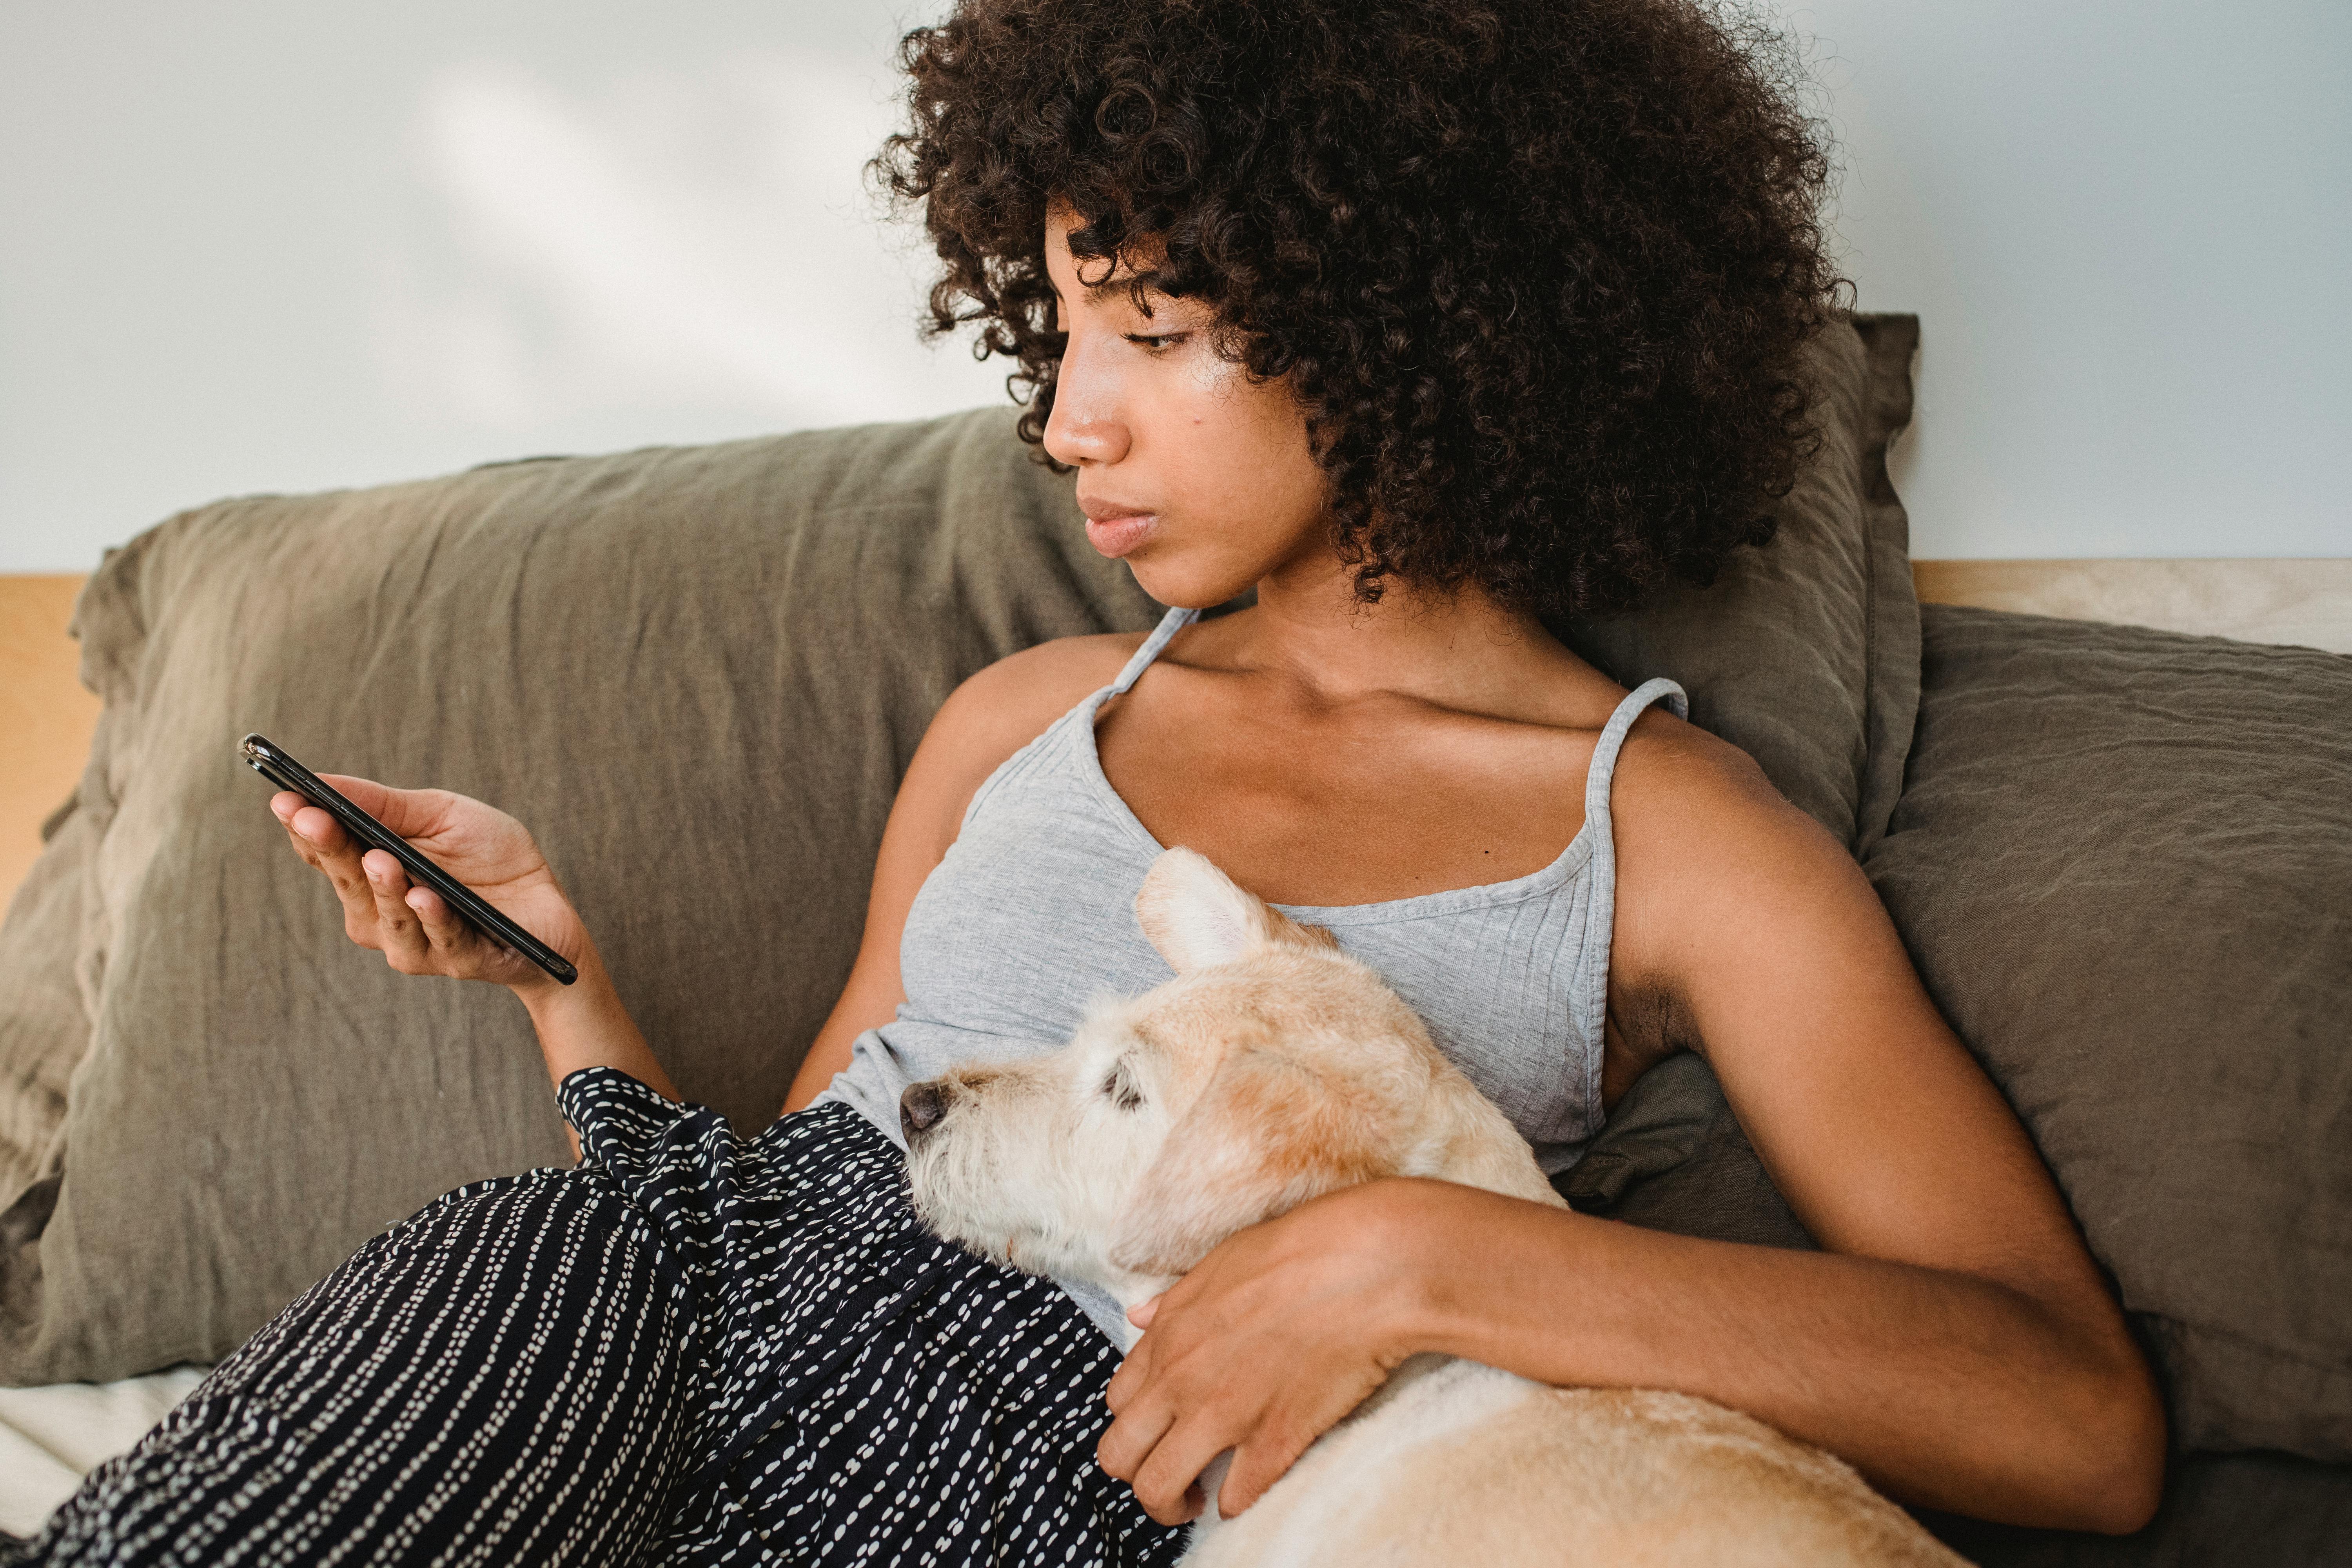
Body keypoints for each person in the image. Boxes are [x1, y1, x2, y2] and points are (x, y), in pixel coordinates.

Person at [8, 0, 2164, 1562]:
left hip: (1093, 1436)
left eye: (1145, 331)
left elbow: (2070, 1422)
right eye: (1052, 339)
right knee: (531, 1262)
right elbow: (788, 1206)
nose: (1066, 425)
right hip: (649, 1307)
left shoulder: (1671, 843)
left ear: (1410, 311)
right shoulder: (1017, 715)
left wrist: (1415, 1260)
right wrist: (564, 978)